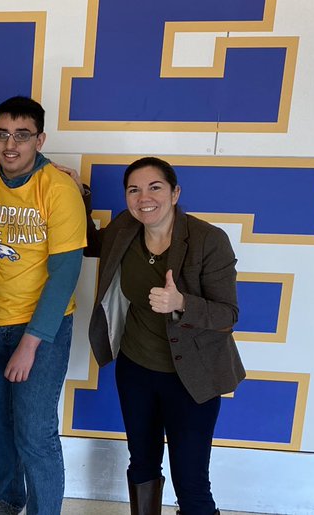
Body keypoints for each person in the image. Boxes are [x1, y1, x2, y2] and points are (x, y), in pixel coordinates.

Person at [85, 157, 244, 515]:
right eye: (134, 190)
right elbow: (89, 243)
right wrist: (78, 194)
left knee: (191, 481)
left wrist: (181, 303)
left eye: (155, 187)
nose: (144, 198)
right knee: (142, 463)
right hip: (136, 369)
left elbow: (227, 315)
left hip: (193, 376)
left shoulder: (208, 240)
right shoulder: (124, 228)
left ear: (175, 193)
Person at [0, 96, 86, 515]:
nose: (11, 145)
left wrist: (31, 343)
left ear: (39, 140)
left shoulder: (59, 189)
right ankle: (9, 500)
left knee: (35, 432)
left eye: (22, 135)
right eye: (3, 134)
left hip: (40, 328)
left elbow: (65, 273)